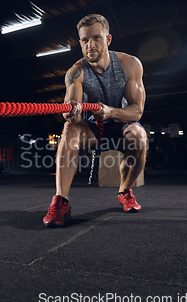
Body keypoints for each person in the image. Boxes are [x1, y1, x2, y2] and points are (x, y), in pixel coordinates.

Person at [43, 14, 147, 227]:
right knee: (69, 127)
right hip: (92, 129)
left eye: (96, 38)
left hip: (122, 123)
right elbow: (70, 105)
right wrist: (71, 112)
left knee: (139, 136)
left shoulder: (129, 64)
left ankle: (125, 191)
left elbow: (136, 111)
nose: (90, 45)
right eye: (84, 40)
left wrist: (111, 112)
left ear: (108, 39)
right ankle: (60, 201)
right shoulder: (76, 72)